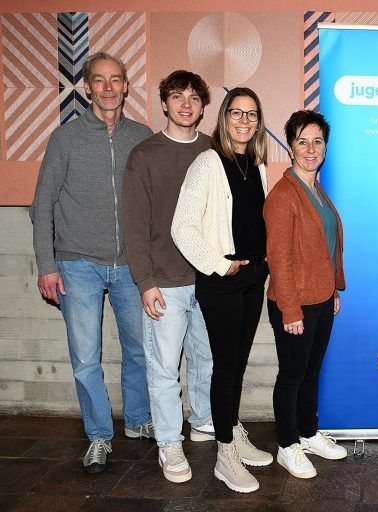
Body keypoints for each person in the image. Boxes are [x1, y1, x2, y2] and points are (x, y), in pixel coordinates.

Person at [30, 51, 154, 474]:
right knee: (86, 357)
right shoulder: (64, 139)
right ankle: (99, 435)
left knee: (140, 350)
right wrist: (47, 265)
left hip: (130, 265)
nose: (107, 88)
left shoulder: (142, 135)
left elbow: (154, 203)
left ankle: (138, 421)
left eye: (115, 80)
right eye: (99, 80)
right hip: (76, 264)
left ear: (125, 86)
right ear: (86, 87)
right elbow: (42, 203)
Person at [171, 87, 273, 493]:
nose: (244, 121)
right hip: (223, 281)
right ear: (224, 118)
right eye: (236, 113)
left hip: (253, 278)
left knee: (238, 364)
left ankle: (232, 431)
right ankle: (224, 454)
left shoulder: (258, 164)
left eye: (251, 114)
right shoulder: (207, 163)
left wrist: (261, 266)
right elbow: (182, 227)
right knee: (225, 367)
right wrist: (220, 265)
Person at [123, 70, 214, 484]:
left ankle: (203, 421)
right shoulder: (145, 155)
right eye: (177, 97)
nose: (185, 104)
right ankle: (168, 443)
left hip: (209, 281)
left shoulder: (215, 152)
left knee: (206, 360)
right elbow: (134, 224)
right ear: (164, 103)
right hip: (164, 282)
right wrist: (144, 281)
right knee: (163, 368)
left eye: (194, 98)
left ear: (202, 105)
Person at [264, 110, 347, 480]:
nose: (310, 148)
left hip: (320, 299)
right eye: (302, 141)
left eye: (317, 141)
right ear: (291, 146)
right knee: (292, 376)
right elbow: (278, 259)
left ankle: (308, 433)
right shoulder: (284, 195)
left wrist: (332, 290)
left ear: (325, 147)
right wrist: (290, 309)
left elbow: (326, 247)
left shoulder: (315, 189)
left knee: (311, 372)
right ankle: (287, 445)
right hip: (292, 303)